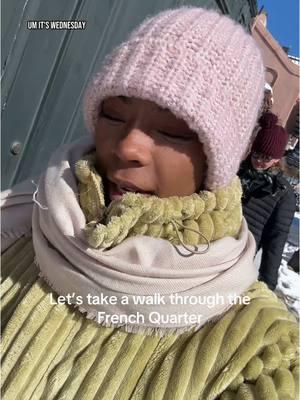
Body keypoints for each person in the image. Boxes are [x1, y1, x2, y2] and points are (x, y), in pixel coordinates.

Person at [1, 8, 299, 400]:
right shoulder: (21, 221)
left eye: (172, 130)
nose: (127, 146)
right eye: (113, 114)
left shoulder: (256, 353)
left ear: (221, 156)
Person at [238, 112, 296, 290]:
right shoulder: (237, 173)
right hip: (210, 247)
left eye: (266, 158)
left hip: (239, 260)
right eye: (256, 154)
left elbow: (275, 243)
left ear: (277, 159)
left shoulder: (282, 193)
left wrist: (267, 284)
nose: (259, 161)